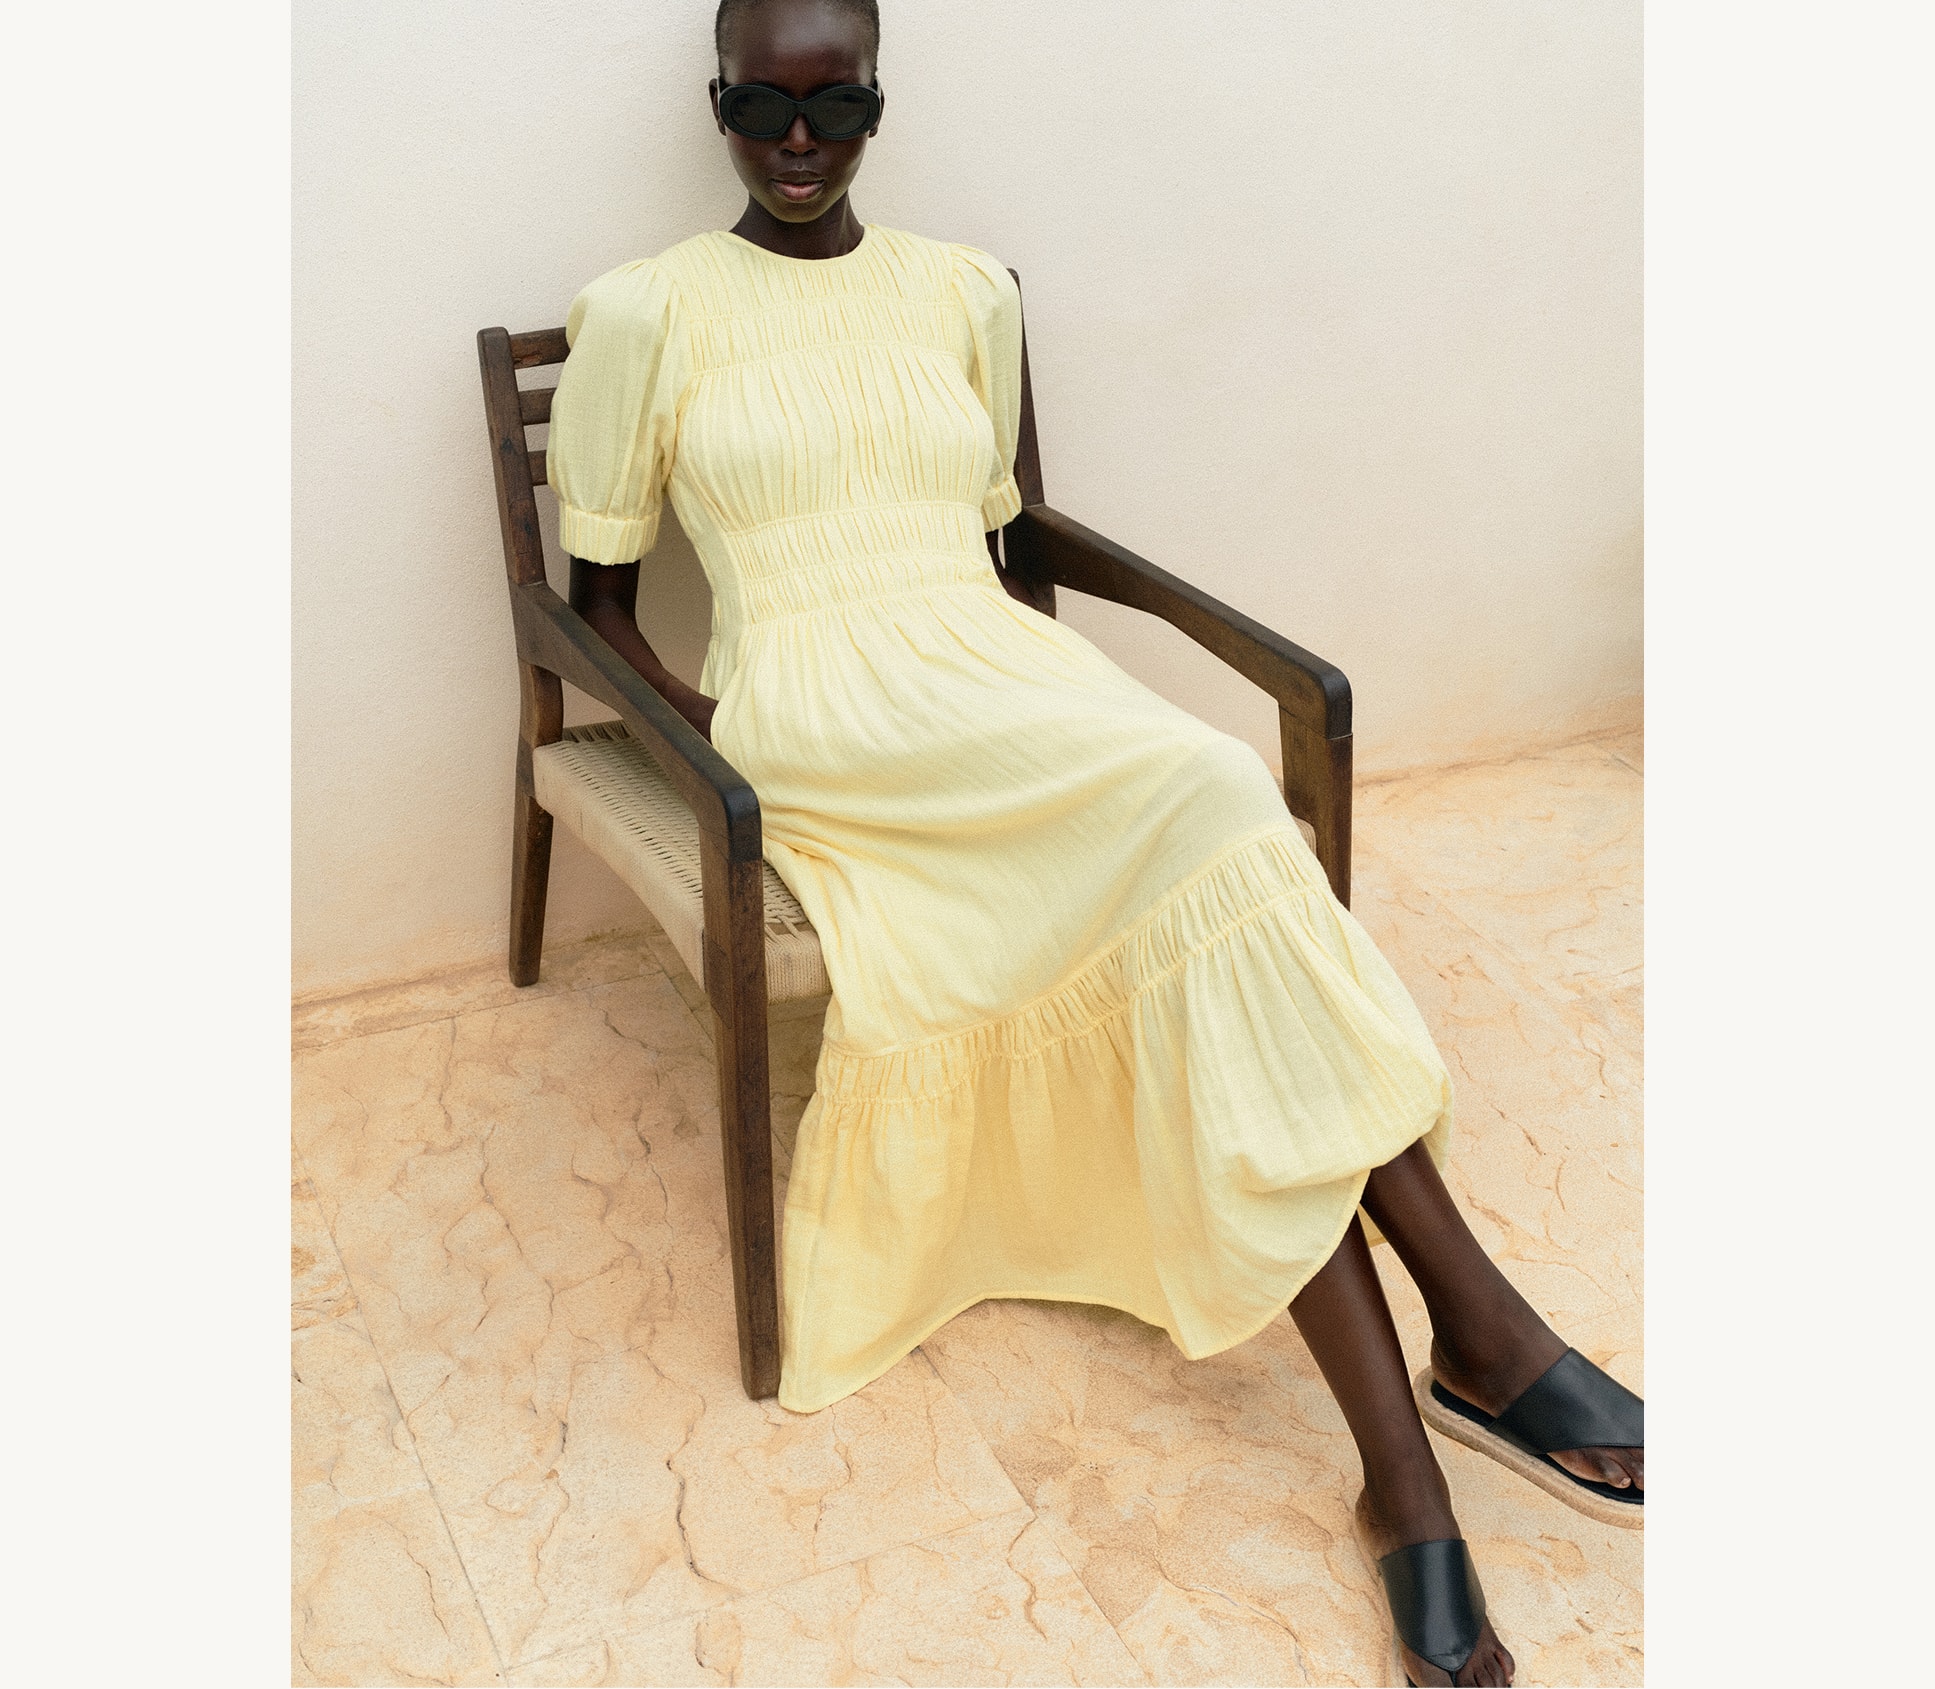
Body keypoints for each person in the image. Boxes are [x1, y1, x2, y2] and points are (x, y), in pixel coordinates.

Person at [544, 3, 1642, 1683]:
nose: (796, 138)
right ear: (715, 105)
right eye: (756, 102)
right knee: (1208, 820)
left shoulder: (961, 291)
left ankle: (1423, 1444)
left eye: (835, 102)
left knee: (1207, 807)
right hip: (825, 717)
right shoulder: (645, 310)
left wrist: (1008, 679)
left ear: (882, 100)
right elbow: (599, 604)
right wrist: (714, 744)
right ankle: (1473, 1370)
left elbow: (1007, 549)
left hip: (1000, 678)